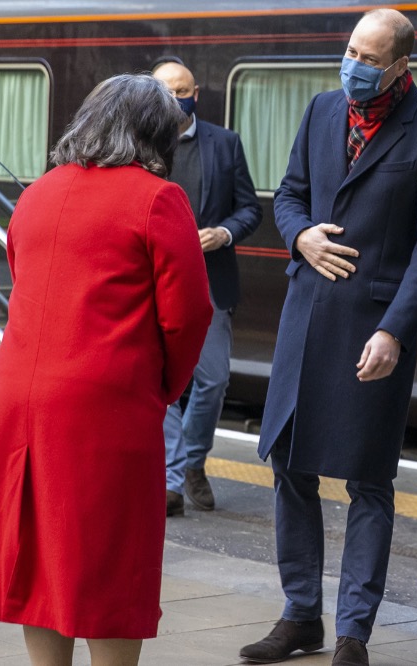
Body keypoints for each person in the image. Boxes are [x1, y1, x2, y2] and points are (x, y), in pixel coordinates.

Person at [0, 74, 213, 666]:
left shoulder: (38, 192)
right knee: (111, 555)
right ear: (156, 134)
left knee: (40, 552)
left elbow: (23, 277)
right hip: (106, 399)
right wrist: (162, 387)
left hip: (21, 397)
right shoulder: (156, 198)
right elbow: (188, 312)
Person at [239, 8, 417, 666]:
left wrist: (396, 329)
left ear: (401, 66)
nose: (354, 66)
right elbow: (289, 196)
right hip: (305, 317)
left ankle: (352, 634)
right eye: (351, 51)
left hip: (373, 328)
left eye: (370, 58)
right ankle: (300, 615)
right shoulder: (320, 110)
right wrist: (300, 233)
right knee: (289, 465)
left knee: (367, 480)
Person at [152, 61, 262, 517]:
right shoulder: (140, 143)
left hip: (210, 280)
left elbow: (250, 209)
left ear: (196, 91)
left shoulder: (226, 143)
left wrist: (224, 233)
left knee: (212, 378)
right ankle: (173, 479)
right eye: (167, 91)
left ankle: (194, 459)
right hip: (153, 279)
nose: (178, 98)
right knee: (160, 383)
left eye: (183, 90)